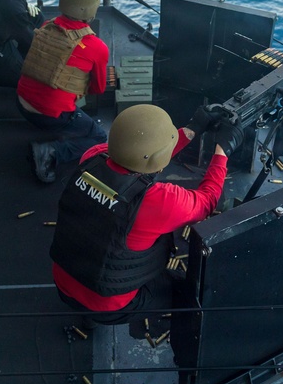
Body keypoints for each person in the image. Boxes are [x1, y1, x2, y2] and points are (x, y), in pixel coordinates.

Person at [49, 104, 243, 326]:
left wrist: (193, 129)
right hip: (109, 306)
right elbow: (208, 201)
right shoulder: (161, 202)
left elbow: (138, 155)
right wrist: (222, 151)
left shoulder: (91, 157)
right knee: (192, 289)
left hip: (64, 282)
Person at [16, 0, 109, 183]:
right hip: (49, 116)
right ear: (91, 10)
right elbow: (98, 88)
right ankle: (51, 152)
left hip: (21, 102)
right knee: (99, 138)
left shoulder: (46, 26)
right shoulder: (97, 47)